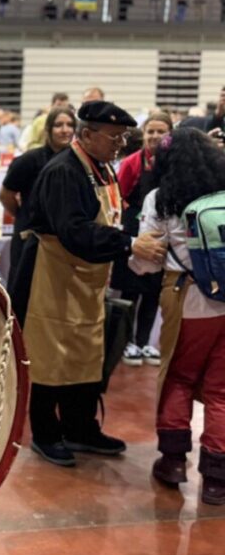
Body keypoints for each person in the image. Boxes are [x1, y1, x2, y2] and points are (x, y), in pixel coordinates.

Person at [8, 101, 167, 468]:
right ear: (86, 135)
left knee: (85, 355)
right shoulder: (64, 171)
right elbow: (73, 231)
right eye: (113, 137)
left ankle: (80, 427)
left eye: (123, 137)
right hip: (53, 276)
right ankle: (46, 435)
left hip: (85, 278)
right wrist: (128, 243)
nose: (120, 143)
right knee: (50, 358)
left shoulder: (101, 169)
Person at [128, 128, 225, 503]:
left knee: (179, 377)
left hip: (186, 298)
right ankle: (216, 477)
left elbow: (144, 264)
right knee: (220, 390)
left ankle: (172, 460)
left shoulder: (161, 199)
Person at [113, 111, 172, 366]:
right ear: (144, 134)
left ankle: (144, 342)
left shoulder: (173, 164)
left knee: (153, 291)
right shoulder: (132, 163)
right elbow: (119, 196)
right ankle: (125, 344)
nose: (155, 136)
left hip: (162, 233)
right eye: (151, 131)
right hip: (134, 232)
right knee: (131, 290)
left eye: (161, 131)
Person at [0, 105, 76, 275]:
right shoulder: (29, 160)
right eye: (59, 125)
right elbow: (6, 194)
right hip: (29, 236)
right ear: (48, 130)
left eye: (70, 125)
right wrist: (22, 214)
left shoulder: (78, 162)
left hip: (61, 240)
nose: (65, 130)